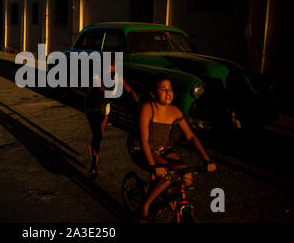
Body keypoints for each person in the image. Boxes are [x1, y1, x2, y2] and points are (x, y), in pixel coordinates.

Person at [134, 73, 216, 222]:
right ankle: (145, 206)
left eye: (170, 88)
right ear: (153, 93)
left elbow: (190, 136)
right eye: (163, 89)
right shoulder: (147, 108)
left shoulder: (175, 111)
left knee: (187, 176)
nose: (168, 92)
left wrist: (206, 159)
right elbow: (144, 140)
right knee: (166, 175)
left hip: (163, 148)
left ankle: (167, 196)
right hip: (141, 148)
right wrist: (153, 166)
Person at [85, 58, 139, 179]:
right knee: (97, 134)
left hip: (105, 106)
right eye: (109, 72)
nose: (112, 75)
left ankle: (94, 150)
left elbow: (129, 90)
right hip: (93, 107)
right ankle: (93, 166)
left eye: (114, 72)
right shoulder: (96, 76)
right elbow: (103, 91)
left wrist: (137, 103)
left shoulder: (117, 76)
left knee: (99, 136)